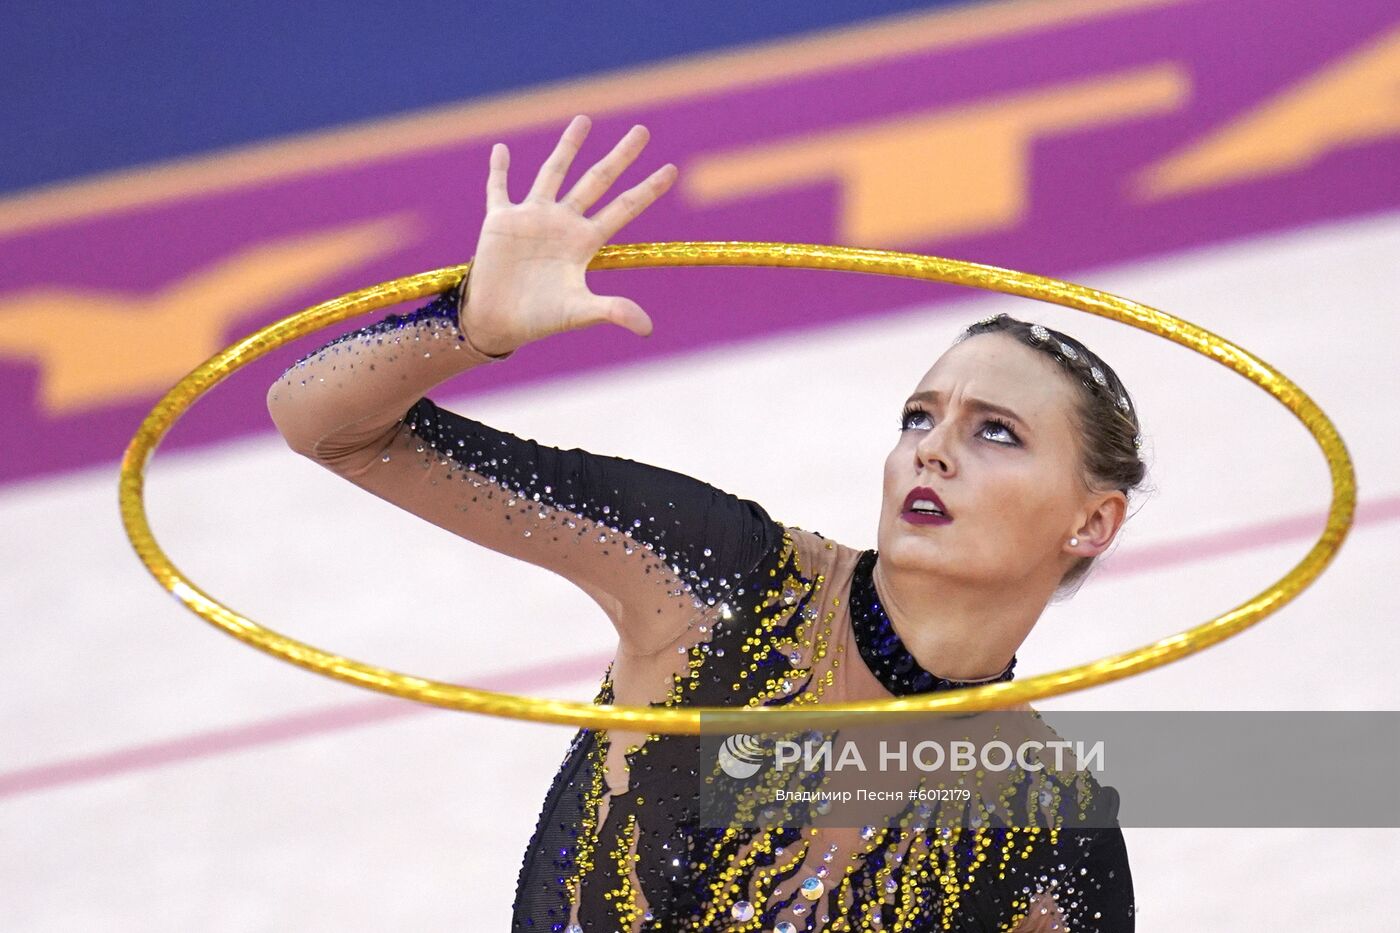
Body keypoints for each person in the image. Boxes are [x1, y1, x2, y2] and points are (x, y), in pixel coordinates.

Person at [267, 115, 1139, 931]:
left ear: (1091, 522)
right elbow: (326, 425)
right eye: (919, 416)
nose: (932, 451)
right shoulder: (722, 577)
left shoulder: (1050, 820)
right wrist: (465, 325)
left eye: (996, 431)